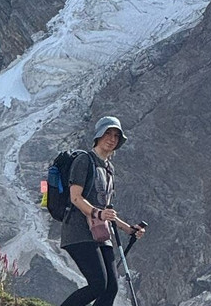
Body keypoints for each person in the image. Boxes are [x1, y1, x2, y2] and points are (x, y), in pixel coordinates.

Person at [59, 116, 147, 306]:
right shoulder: (84, 160)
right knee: (98, 285)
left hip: (100, 232)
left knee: (111, 288)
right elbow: (76, 197)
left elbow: (106, 209)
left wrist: (128, 229)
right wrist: (98, 214)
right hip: (78, 231)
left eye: (116, 135)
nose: (112, 138)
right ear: (98, 135)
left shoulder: (109, 169)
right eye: (108, 133)